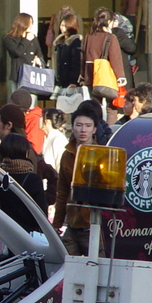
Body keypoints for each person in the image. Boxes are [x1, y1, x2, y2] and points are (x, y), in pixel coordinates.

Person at [53, 104, 98, 255]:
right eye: (79, 125)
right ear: (72, 128)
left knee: (95, 270)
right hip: (72, 224)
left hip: (93, 226)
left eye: (88, 126)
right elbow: (62, 190)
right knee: (68, 268)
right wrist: (57, 223)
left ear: (94, 129)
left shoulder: (102, 154)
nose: (83, 130)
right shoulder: (67, 154)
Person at [81, 7, 126, 121]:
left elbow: (82, 56)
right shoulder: (111, 38)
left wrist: (82, 74)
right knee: (111, 109)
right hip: (107, 77)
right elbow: (115, 58)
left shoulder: (88, 37)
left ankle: (96, 130)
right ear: (109, 22)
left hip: (91, 75)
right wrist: (120, 76)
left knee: (95, 107)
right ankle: (110, 134)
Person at [0, 133, 47, 233]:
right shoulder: (33, 179)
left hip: (2, 233)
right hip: (27, 235)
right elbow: (42, 213)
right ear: (26, 152)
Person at [1, 13, 42, 94]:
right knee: (18, 101)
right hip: (18, 76)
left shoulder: (32, 37)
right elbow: (17, 53)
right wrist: (26, 40)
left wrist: (38, 59)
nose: (31, 26)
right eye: (29, 23)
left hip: (32, 76)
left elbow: (39, 53)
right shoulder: (9, 38)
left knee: (31, 102)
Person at [51, 13, 83, 88]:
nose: (62, 28)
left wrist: (73, 81)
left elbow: (76, 63)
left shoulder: (75, 42)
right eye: (61, 25)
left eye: (64, 26)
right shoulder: (59, 42)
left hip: (69, 81)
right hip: (59, 80)